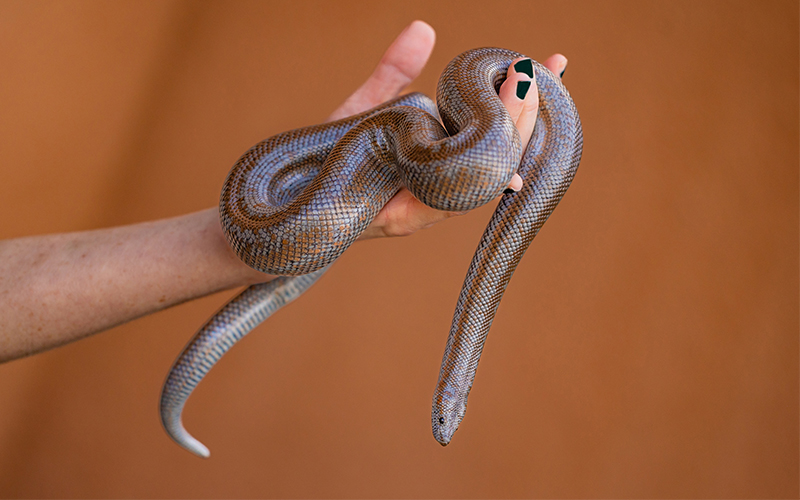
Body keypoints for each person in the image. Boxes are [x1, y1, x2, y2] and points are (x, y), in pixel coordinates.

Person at [0, 20, 568, 363]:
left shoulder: (414, 121)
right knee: (417, 114)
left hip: (356, 157)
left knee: (416, 115)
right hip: (353, 159)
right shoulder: (408, 124)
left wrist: (348, 174)